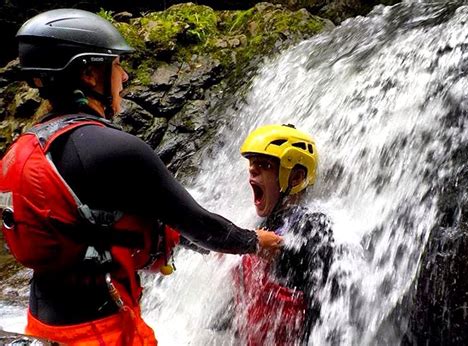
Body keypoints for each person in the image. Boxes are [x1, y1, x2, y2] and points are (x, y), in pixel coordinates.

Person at [0, 9, 281, 346]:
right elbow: (198, 224)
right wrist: (254, 242)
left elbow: (109, 225)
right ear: (90, 73)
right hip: (100, 327)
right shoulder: (117, 149)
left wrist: (211, 250)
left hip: (45, 320)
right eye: (117, 64)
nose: (126, 77)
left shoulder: (27, 146)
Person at [234, 124, 335, 345]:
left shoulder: (314, 226)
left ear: (296, 178)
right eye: (251, 164)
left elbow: (322, 304)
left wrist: (284, 253)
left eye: (264, 164)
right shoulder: (261, 223)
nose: (252, 170)